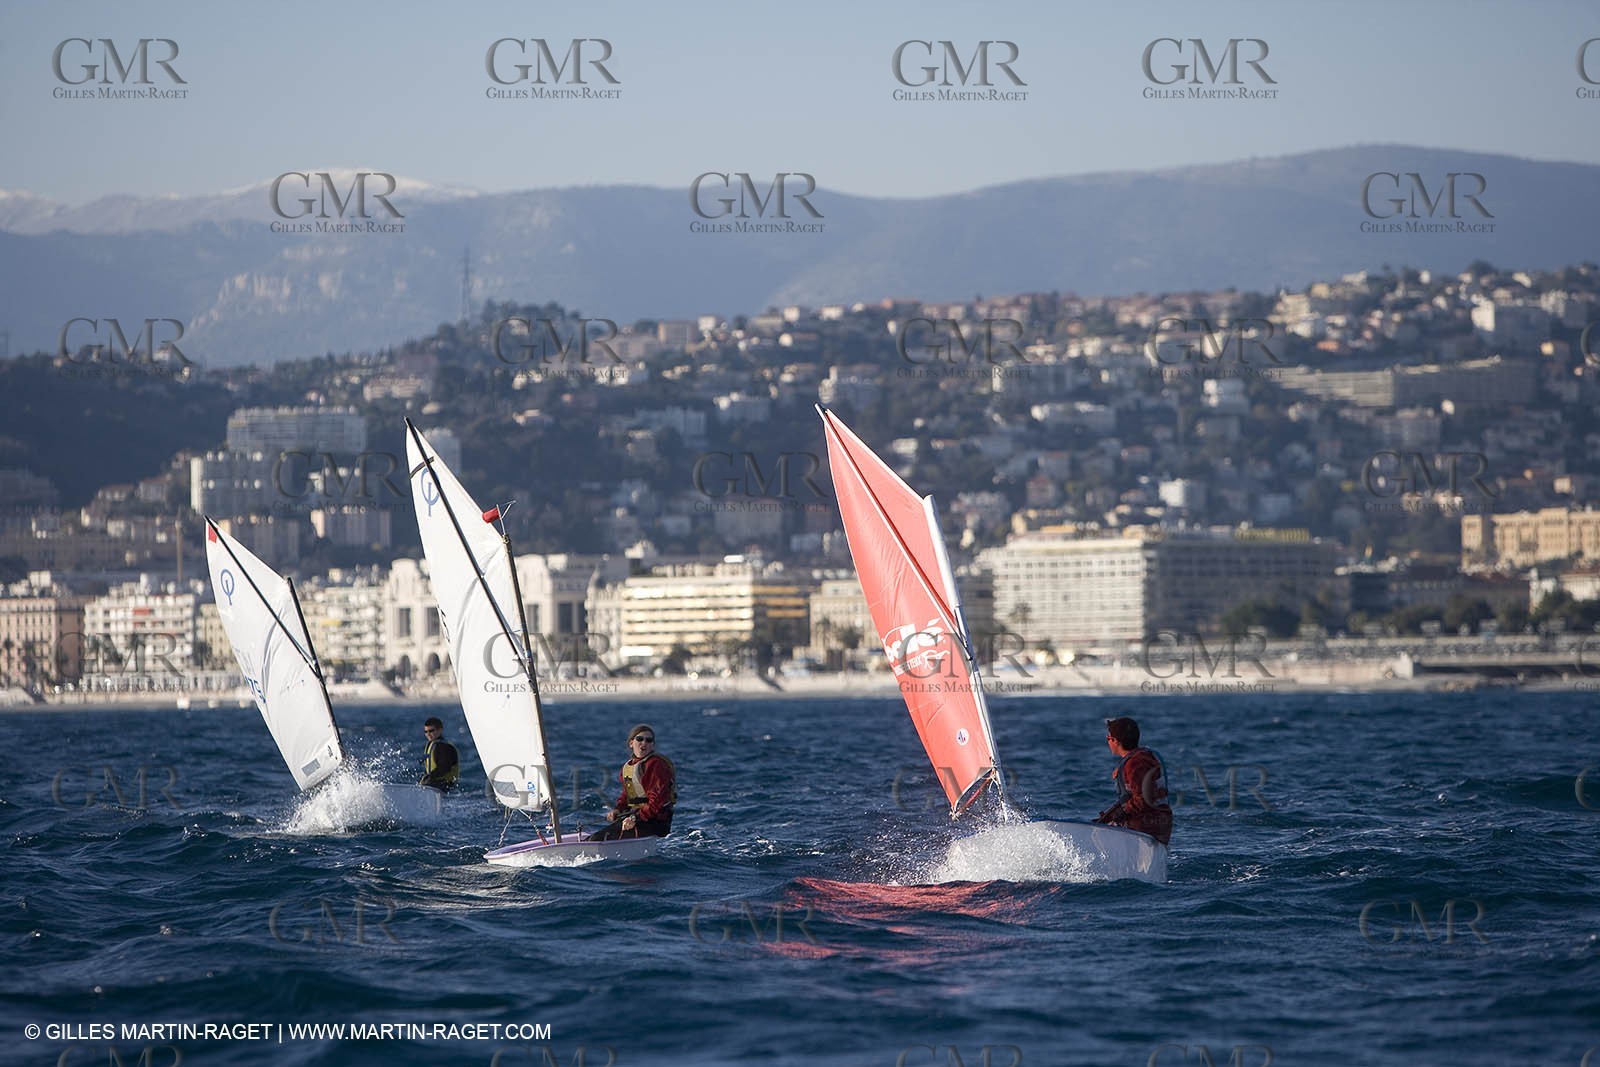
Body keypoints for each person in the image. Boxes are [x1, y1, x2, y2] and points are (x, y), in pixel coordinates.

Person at [587, 723, 676, 841]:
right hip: (636, 817)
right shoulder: (629, 766)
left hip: (654, 822)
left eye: (649, 740)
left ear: (652, 745)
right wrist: (618, 809)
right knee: (592, 838)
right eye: (640, 739)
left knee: (596, 839)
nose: (644, 743)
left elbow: (657, 801)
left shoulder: (656, 765)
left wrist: (635, 818)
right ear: (631, 743)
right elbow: (627, 794)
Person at [1095, 716, 1172, 846]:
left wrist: (1122, 812)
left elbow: (1143, 799)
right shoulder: (1146, 756)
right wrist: (1107, 817)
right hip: (1158, 826)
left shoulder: (1135, 764)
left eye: (1108, 738)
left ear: (1115, 741)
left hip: (1146, 829)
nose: (1108, 741)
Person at [419, 716, 460, 792]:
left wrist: (429, 777)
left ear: (440, 730)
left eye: (431, 731)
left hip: (446, 786)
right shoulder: (432, 745)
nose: (428, 734)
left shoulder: (445, 747)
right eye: (426, 732)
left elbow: (445, 767)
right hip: (435, 784)